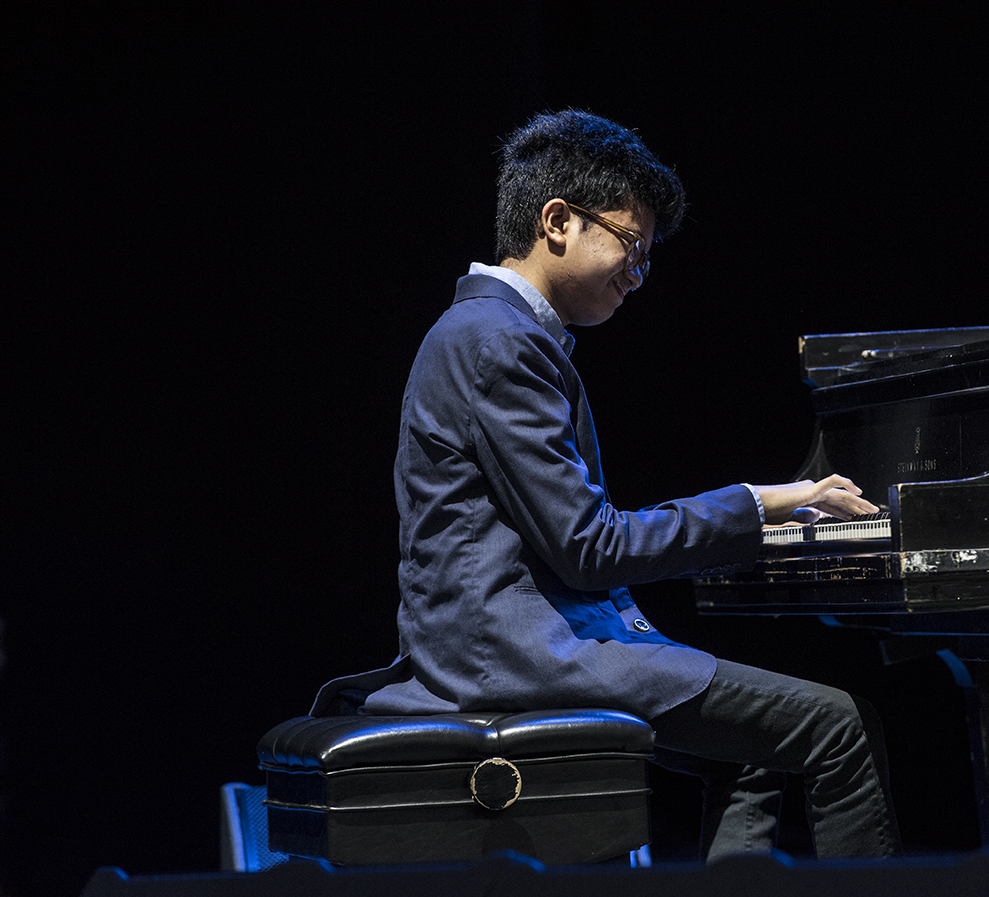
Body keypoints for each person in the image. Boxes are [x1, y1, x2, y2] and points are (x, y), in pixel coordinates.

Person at [312, 109, 899, 859]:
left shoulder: (496, 333)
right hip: (514, 659)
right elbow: (590, 547)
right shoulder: (498, 341)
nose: (637, 274)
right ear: (557, 221)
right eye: (630, 246)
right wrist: (762, 502)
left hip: (519, 644)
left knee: (754, 744)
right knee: (839, 724)